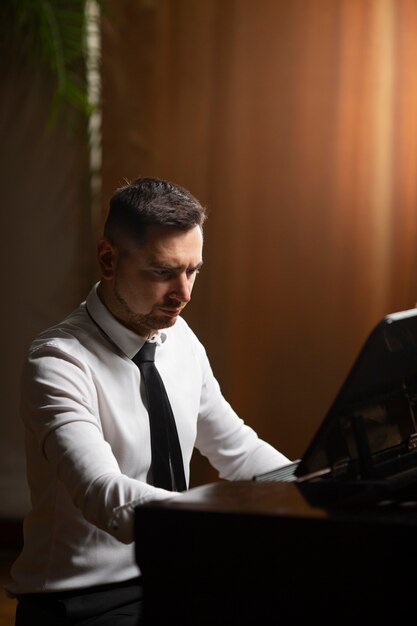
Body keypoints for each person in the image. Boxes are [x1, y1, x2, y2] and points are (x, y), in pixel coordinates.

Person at [7, 176, 290, 625]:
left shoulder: (179, 339)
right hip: (81, 602)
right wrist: (226, 517)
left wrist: (314, 484)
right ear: (108, 259)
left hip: (172, 577)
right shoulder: (57, 363)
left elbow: (239, 449)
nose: (184, 294)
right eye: (163, 272)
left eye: (193, 270)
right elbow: (106, 497)